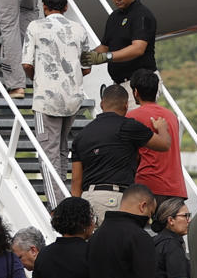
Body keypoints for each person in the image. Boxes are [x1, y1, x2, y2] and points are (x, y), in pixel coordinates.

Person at [23, 0, 95, 184]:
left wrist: (36, 78)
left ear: (44, 6)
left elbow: (27, 64)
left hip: (45, 100)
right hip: (72, 100)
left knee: (48, 154)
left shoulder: (35, 27)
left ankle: (56, 205)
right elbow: (86, 68)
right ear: (66, 6)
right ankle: (63, 193)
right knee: (62, 149)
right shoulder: (79, 29)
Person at [69, 84, 172, 217]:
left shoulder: (82, 135)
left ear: (102, 104)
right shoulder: (129, 126)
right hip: (115, 198)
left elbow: (76, 181)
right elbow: (164, 144)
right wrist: (162, 127)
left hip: (88, 198)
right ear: (126, 106)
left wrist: (78, 209)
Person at [127, 70, 187, 201]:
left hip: (149, 186)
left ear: (135, 92)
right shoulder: (171, 116)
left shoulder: (132, 117)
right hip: (176, 187)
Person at [91, 0, 156, 85]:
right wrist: (86, 57)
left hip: (140, 84)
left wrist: (106, 57)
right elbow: (105, 47)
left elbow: (138, 49)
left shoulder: (142, 15)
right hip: (118, 83)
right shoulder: (113, 17)